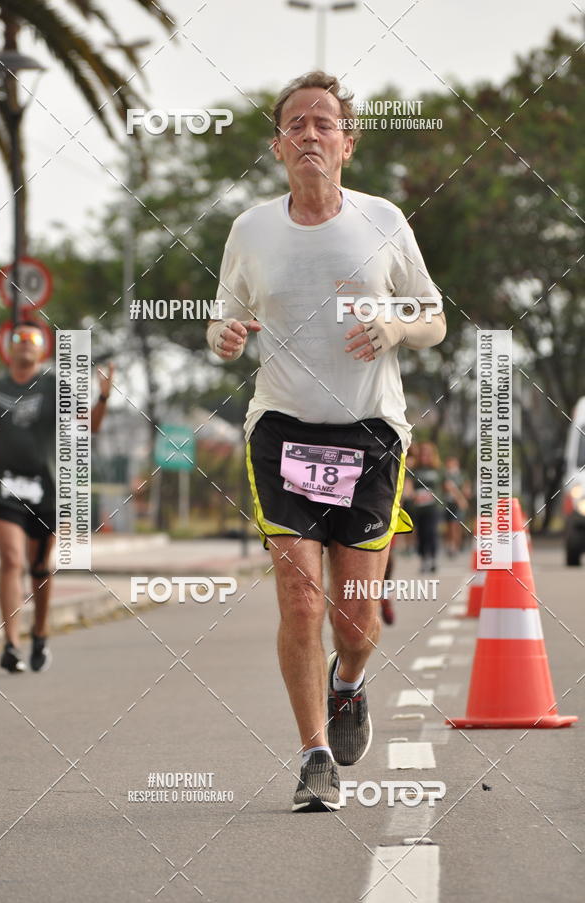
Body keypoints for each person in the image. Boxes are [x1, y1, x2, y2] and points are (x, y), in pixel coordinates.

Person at [207, 71, 446, 812]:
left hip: (370, 434)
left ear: (348, 143)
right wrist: (223, 335)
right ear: (278, 146)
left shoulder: (383, 220)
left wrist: (397, 326)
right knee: (301, 600)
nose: (309, 133)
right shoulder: (250, 229)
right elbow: (224, 319)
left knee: (356, 617)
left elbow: (434, 318)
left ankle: (350, 682)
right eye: (295, 124)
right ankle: (314, 756)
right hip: (281, 430)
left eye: (324, 123)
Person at [0, 320, 113, 673]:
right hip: (3, 489)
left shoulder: (55, 387)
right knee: (11, 560)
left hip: (47, 492)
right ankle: (11, 645)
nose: (26, 342)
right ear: (8, 347)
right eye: (19, 337)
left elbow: (90, 425)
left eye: (33, 338)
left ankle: (40, 633)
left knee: (40, 568)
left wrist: (103, 396)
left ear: (42, 349)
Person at [409, 441, 442, 573]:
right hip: (419, 508)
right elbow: (408, 486)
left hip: (433, 508)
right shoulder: (414, 470)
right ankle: (423, 559)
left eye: (427, 454)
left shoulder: (438, 470)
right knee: (421, 534)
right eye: (422, 454)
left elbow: (445, 485)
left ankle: (433, 559)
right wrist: (413, 495)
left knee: (431, 532)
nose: (424, 457)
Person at [442, 455, 470, 556]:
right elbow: (447, 487)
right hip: (449, 503)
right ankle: (451, 544)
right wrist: (460, 499)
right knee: (450, 525)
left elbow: (466, 488)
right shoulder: (445, 475)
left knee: (457, 524)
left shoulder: (462, 475)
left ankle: (457, 545)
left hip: (459, 505)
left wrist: (463, 497)